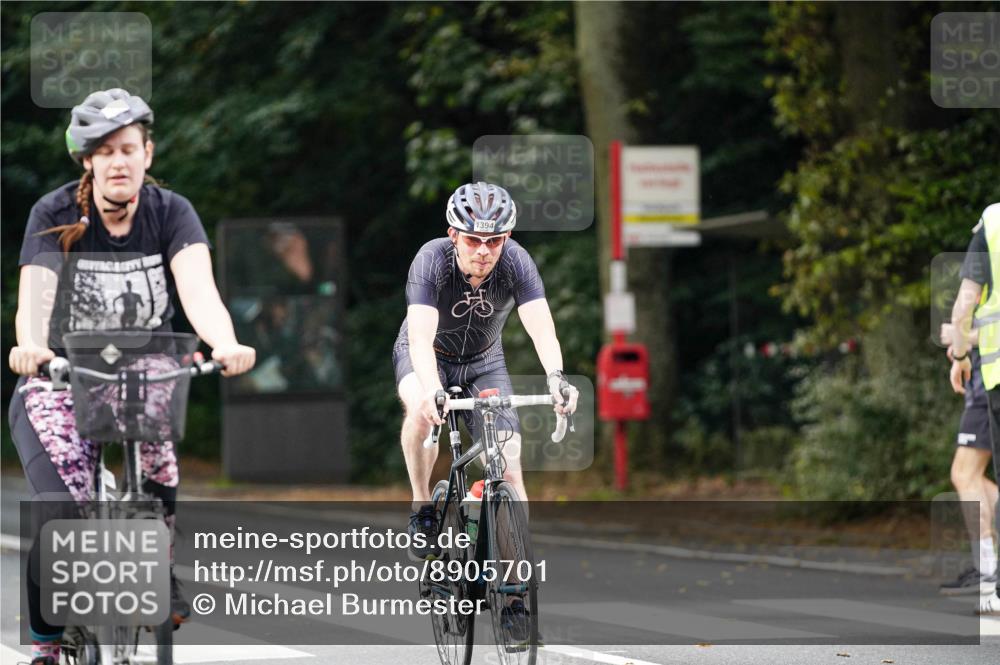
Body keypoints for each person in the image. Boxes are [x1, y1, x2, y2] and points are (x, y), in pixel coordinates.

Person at [7, 89, 256, 665]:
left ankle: (158, 562)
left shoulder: (171, 212)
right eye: (105, 151)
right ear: (87, 161)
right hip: (62, 376)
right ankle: (47, 642)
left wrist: (225, 342)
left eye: (128, 148)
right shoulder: (54, 212)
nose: (118, 161)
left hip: (144, 374)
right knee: (59, 511)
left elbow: (198, 290)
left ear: (148, 153)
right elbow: (35, 298)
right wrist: (32, 347)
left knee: (161, 464)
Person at [392, 182, 579, 634]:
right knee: (418, 409)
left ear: (507, 237)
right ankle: (422, 505)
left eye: (494, 240)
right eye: (473, 239)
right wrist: (432, 390)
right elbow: (420, 339)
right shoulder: (431, 260)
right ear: (453, 235)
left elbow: (542, 329)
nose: (483, 250)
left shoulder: (516, 262)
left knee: (510, 469)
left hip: (484, 361)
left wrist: (557, 378)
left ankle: (514, 598)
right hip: (427, 356)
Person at [948, 202, 1000, 616]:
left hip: (993, 373)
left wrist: (959, 351)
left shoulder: (994, 222)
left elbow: (966, 303)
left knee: (965, 474)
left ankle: (988, 572)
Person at [939, 323, 997, 595]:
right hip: (983, 391)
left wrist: (961, 338)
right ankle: (988, 566)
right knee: (972, 477)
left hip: (988, 392)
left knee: (965, 474)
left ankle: (987, 568)